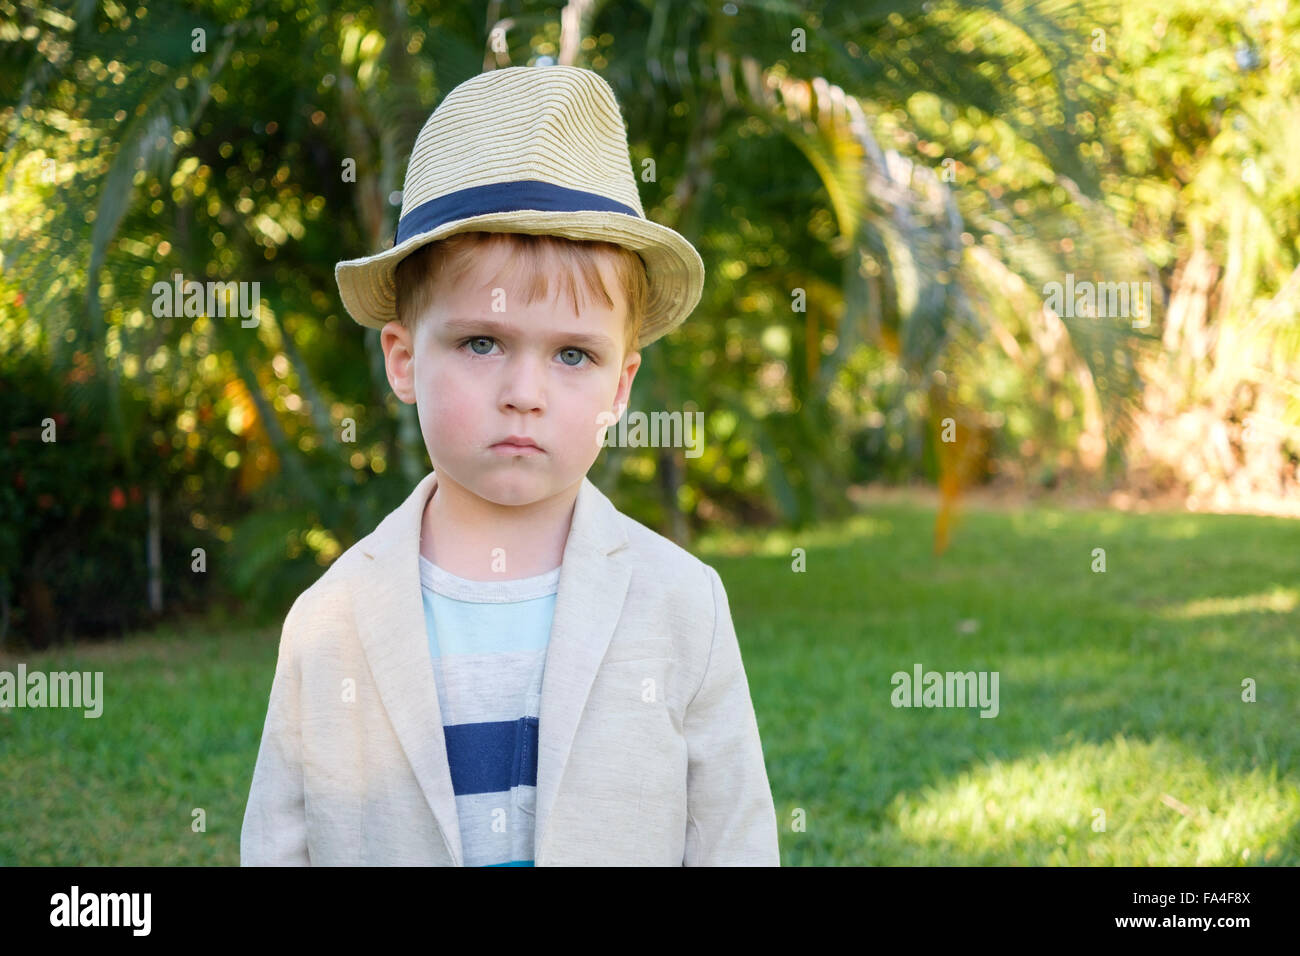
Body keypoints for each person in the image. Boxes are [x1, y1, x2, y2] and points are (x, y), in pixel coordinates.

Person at [240, 65, 778, 866]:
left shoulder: (684, 607)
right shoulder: (331, 621)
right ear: (403, 359)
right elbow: (279, 849)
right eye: (481, 343)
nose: (524, 393)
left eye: (572, 354)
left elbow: (733, 841)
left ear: (621, 384)